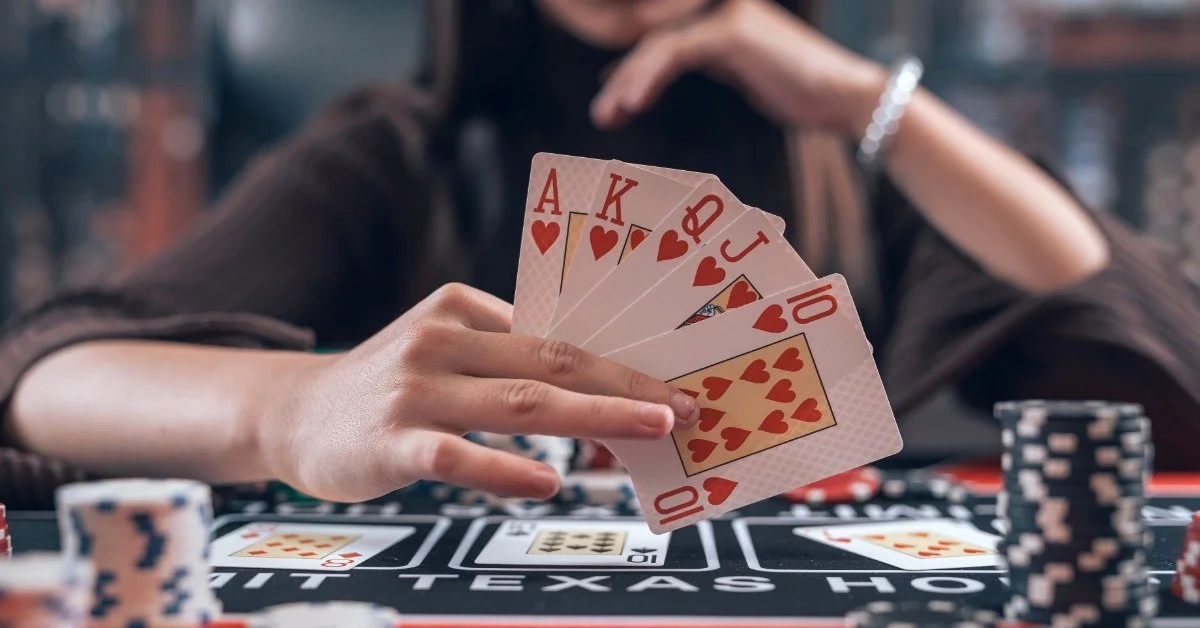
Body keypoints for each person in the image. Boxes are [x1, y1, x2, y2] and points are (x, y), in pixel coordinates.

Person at [2, 0, 1199, 508]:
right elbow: (43, 373)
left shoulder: (837, 160)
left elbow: (1137, 340)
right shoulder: (397, 149)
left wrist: (864, 101)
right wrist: (289, 407)